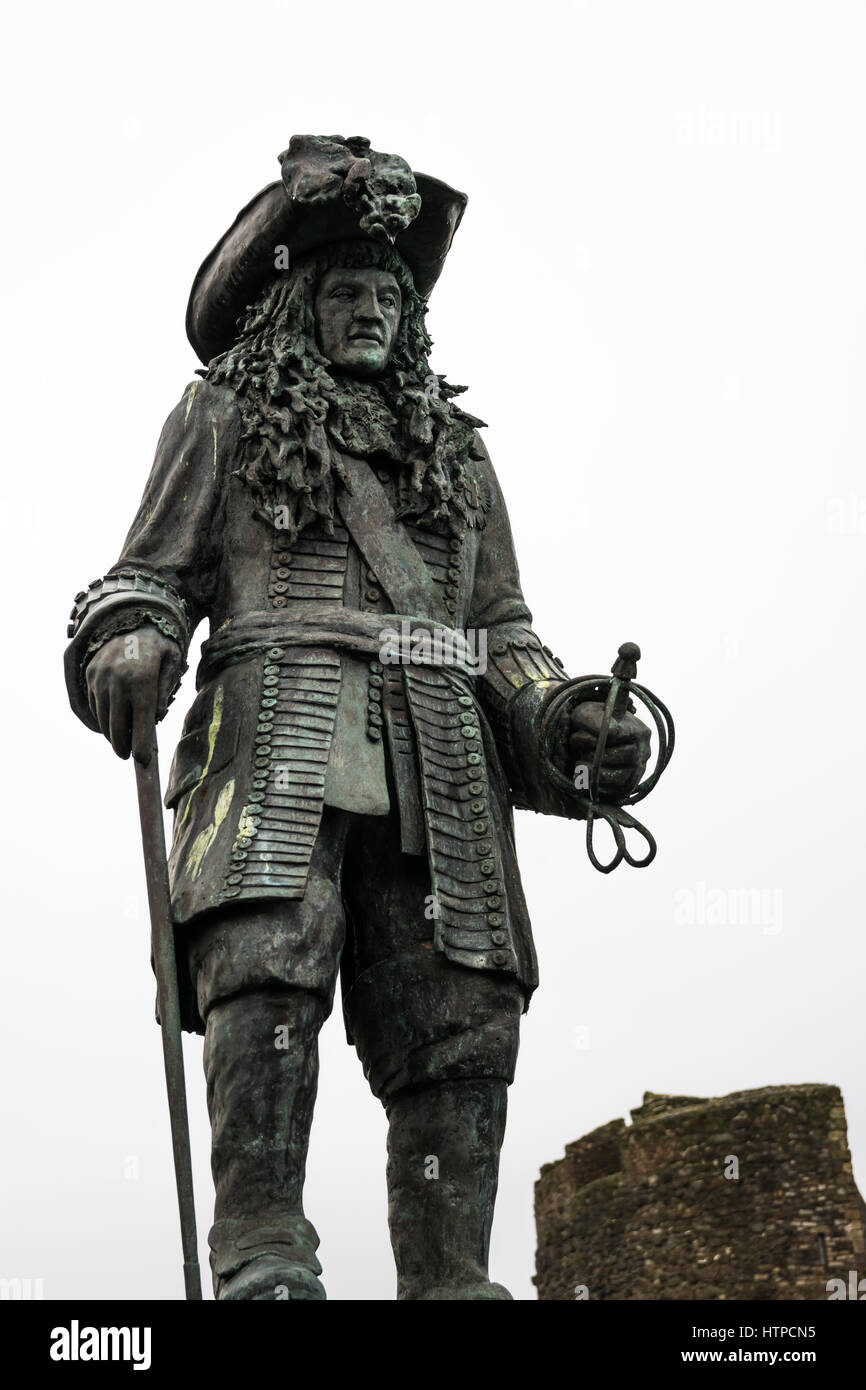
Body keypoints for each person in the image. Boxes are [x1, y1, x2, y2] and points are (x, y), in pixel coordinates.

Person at [65, 135, 650, 1300]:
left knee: (457, 1016)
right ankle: (265, 1251)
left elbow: (503, 633)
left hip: (440, 751)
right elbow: (143, 578)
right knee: (271, 965)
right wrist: (127, 644)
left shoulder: (461, 460)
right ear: (298, 300)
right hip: (280, 736)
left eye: (389, 294)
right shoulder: (221, 419)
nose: (373, 310)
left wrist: (572, 722)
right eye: (347, 291)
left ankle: (447, 1278)